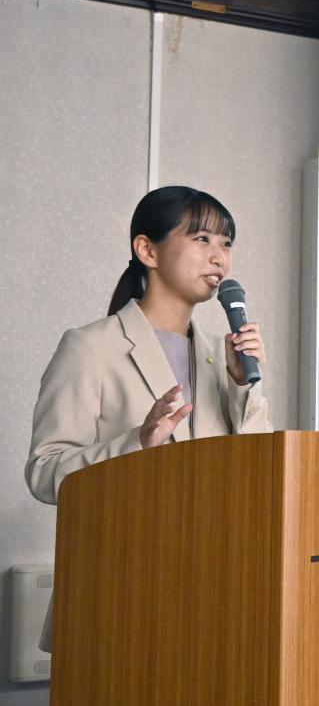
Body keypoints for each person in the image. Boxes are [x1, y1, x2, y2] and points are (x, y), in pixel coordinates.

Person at [26, 185, 272, 507]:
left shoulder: (223, 356)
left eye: (226, 244)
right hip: (130, 537)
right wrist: (137, 444)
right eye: (202, 239)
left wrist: (242, 385)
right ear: (147, 251)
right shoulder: (90, 347)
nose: (219, 258)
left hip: (213, 537)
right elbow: (44, 473)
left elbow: (260, 467)